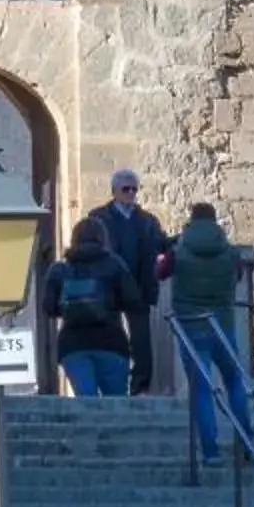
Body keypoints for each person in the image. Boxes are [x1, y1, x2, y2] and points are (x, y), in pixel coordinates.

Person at [165, 199, 253, 464]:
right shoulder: (229, 251)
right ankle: (246, 443)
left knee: (201, 389)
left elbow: (160, 271)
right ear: (215, 221)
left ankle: (211, 451)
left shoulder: (178, 249)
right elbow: (237, 277)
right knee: (234, 382)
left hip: (191, 325)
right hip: (222, 323)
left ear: (191, 220)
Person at [42, 214, 142, 398]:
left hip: (73, 344)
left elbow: (49, 308)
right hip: (111, 342)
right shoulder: (115, 265)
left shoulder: (59, 270)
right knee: (116, 403)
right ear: (103, 238)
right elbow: (133, 301)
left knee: (86, 400)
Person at [95, 166, 167, 395]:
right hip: (110, 287)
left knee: (142, 343)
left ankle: (140, 388)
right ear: (114, 191)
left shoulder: (147, 220)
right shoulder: (98, 218)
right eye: (125, 189)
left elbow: (162, 244)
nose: (130, 194)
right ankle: (112, 386)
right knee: (112, 339)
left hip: (139, 287)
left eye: (134, 189)